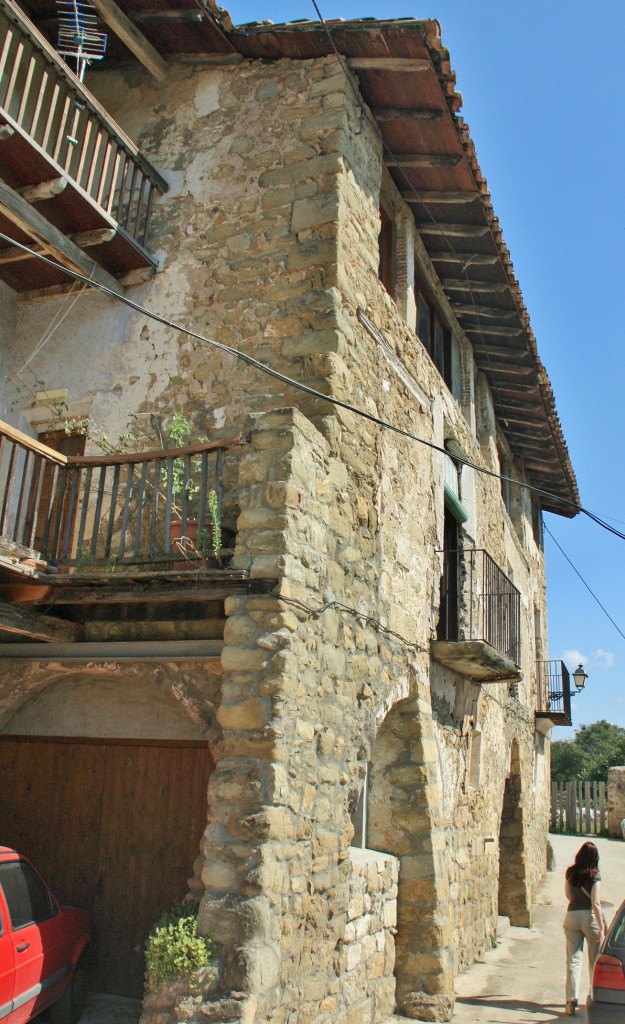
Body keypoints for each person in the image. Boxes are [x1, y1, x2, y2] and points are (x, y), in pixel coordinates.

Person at [563, 840, 605, 1016]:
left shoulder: (571, 872)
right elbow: (595, 903)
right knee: (594, 959)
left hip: (572, 916)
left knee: (573, 959)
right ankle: (594, 995)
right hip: (589, 917)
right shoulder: (595, 875)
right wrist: (602, 928)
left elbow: (567, 894)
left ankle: (571, 1000)